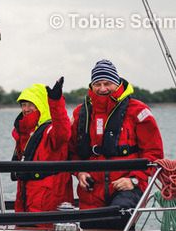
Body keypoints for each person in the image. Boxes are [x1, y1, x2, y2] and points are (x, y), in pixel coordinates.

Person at [70, 59, 164, 218]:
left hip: (128, 188)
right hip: (91, 193)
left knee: (118, 216)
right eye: (97, 84)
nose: (102, 89)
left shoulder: (138, 110)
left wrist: (134, 179)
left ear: (117, 83)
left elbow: (154, 152)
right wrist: (79, 172)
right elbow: (71, 151)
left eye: (107, 83)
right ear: (91, 86)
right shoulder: (81, 113)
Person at [11, 77, 72, 212]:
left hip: (48, 203)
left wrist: (56, 102)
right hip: (24, 199)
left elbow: (63, 133)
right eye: (23, 105)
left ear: (42, 105)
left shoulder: (51, 130)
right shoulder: (23, 133)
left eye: (31, 104)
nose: (26, 109)